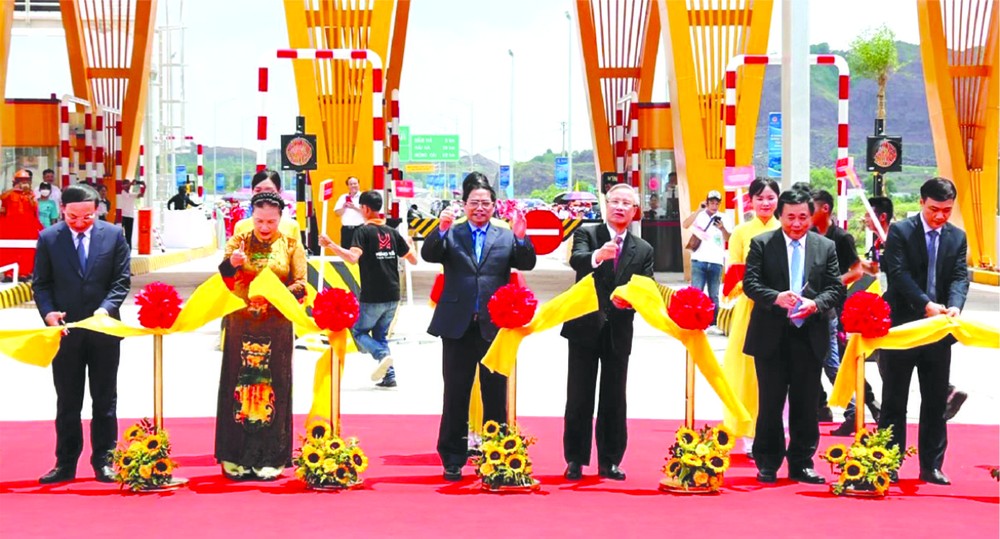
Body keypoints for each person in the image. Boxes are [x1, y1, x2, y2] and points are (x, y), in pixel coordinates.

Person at [421, 172, 536, 482]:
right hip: (457, 325)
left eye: (485, 203)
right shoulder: (453, 233)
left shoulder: (505, 235)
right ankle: (452, 458)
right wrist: (440, 229)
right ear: (465, 204)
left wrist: (523, 237)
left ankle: (497, 455)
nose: (480, 208)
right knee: (455, 392)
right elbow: (428, 254)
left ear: (494, 206)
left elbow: (526, 263)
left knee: (495, 393)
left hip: (494, 325)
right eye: (474, 203)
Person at [743, 187, 845, 484]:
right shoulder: (762, 244)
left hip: (808, 335)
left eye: (803, 217)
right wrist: (776, 297)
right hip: (771, 335)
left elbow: (835, 288)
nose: (797, 223)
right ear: (780, 215)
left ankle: (802, 462)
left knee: (806, 402)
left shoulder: (824, 247)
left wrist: (816, 304)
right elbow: (750, 283)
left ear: (811, 217)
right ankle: (767, 462)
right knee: (770, 403)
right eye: (791, 217)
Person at [32, 183, 131, 484]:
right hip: (65, 333)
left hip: (103, 331)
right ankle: (65, 463)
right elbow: (42, 284)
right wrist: (48, 313)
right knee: (68, 400)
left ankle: (104, 460)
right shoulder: (49, 238)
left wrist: (105, 309)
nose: (79, 223)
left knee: (104, 400)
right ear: (63, 210)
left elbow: (121, 280)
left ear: (97, 209)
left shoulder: (114, 236)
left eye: (86, 217)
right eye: (72, 217)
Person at [878, 178, 969, 486]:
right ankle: (888, 462)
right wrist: (925, 304)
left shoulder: (957, 237)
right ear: (921, 202)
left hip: (938, 331)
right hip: (902, 328)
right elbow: (898, 274)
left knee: (934, 401)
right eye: (934, 209)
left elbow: (959, 277)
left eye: (946, 210)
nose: (940, 216)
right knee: (893, 400)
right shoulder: (902, 232)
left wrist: (954, 306)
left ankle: (931, 465)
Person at [561, 184, 654, 482]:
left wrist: (633, 300)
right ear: (606, 205)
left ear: (634, 210)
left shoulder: (643, 249)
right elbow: (577, 260)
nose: (620, 207)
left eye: (627, 203)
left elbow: (647, 288)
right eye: (615, 201)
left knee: (614, 397)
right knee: (579, 395)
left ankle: (610, 461)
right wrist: (598, 256)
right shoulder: (587, 233)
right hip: (584, 326)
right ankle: (575, 459)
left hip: (619, 329)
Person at [216, 191, 307, 481]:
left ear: (281, 218)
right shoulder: (239, 240)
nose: (264, 227)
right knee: (237, 385)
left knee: (273, 386)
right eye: (259, 220)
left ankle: (272, 456)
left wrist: (273, 295)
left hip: (276, 325)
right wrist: (233, 262)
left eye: (270, 221)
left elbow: (302, 284)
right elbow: (222, 278)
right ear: (251, 218)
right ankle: (234, 455)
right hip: (241, 322)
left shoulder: (291, 243)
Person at [319, 190, 418, 388]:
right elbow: (413, 260)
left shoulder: (363, 232)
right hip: (393, 295)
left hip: (373, 294)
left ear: (364, 208)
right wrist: (410, 244)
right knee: (380, 336)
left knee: (358, 332)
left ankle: (381, 356)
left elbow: (353, 258)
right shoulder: (393, 232)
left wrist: (331, 245)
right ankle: (389, 375)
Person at [721, 178, 781, 455]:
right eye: (760, 198)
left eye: (770, 197)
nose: (765, 203)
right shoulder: (741, 232)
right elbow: (732, 274)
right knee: (748, 371)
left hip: (783, 307)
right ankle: (748, 432)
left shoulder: (787, 228)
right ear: (751, 201)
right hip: (750, 307)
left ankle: (780, 429)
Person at [809, 188, 874, 436]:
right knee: (811, 361)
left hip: (831, 306)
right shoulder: (808, 235)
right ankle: (821, 407)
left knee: (831, 363)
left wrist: (831, 284)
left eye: (811, 208)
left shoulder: (842, 237)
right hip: (809, 304)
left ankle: (853, 411)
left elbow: (857, 271)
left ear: (825, 208)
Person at [682, 190, 732, 333]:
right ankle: (695, 321)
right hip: (699, 259)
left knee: (714, 294)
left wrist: (722, 228)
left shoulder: (724, 218)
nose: (714, 206)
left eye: (717, 203)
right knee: (696, 292)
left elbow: (729, 238)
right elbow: (685, 224)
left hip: (716, 260)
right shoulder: (699, 215)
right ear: (707, 202)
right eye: (711, 203)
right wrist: (698, 210)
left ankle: (714, 323)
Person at [0, 169, 43, 280]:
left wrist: (28, 195)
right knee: (9, 252)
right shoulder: (8, 195)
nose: (24, 183)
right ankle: (8, 273)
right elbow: (3, 205)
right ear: (15, 182)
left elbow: (35, 210)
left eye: (26, 180)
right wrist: (15, 190)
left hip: (27, 229)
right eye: (21, 180)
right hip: (11, 229)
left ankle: (24, 272)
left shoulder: (32, 195)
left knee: (27, 252)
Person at [233, 170, 300, 239]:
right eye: (258, 190)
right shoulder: (241, 226)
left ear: (279, 191)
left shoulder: (292, 226)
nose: (263, 195)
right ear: (252, 191)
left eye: (269, 191)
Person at [334, 176, 364, 249]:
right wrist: (344, 206)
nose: (353, 186)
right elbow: (337, 213)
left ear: (358, 184)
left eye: (355, 183)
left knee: (361, 250)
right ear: (348, 186)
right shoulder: (343, 197)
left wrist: (354, 207)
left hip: (360, 228)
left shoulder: (363, 196)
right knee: (345, 250)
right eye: (351, 184)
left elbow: (367, 212)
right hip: (346, 230)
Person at [116, 179, 146, 248]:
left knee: (128, 235)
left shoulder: (131, 194)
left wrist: (144, 186)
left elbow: (141, 195)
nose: (129, 186)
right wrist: (131, 183)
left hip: (130, 216)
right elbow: (121, 187)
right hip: (122, 215)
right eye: (127, 184)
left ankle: (129, 250)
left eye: (129, 184)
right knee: (119, 233)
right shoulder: (121, 192)